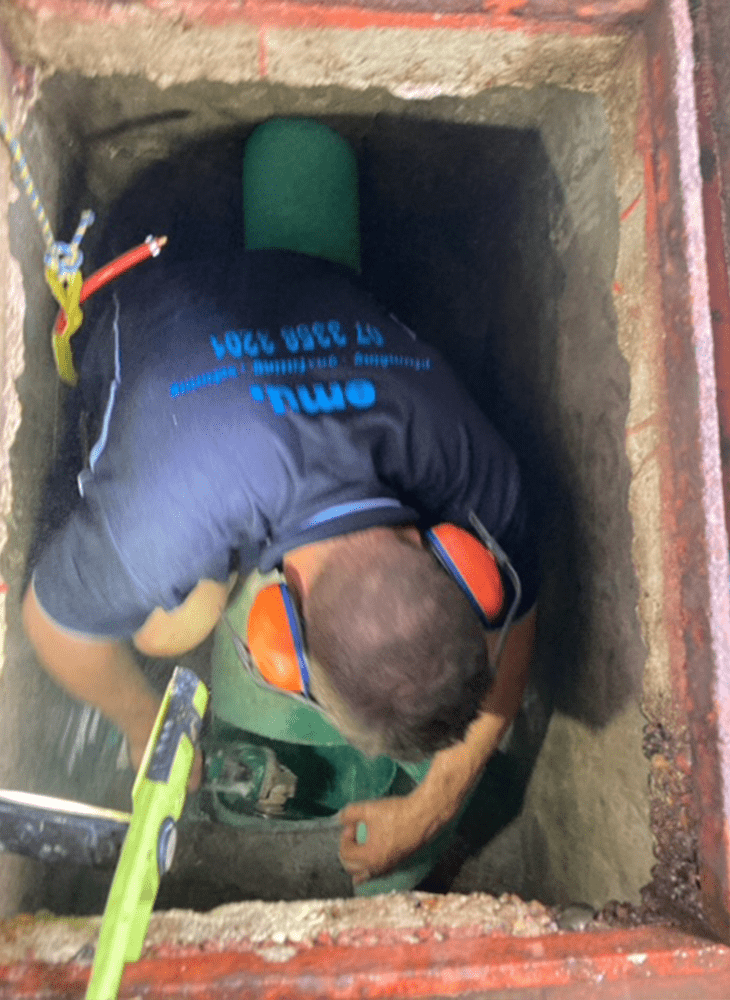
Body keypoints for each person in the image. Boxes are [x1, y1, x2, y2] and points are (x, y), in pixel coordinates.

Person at [22, 117, 538, 889]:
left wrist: (434, 805)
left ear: (464, 562)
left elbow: (518, 612)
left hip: (268, 301)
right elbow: (51, 627)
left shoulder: (461, 459)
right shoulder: (164, 523)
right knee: (173, 630)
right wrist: (139, 722)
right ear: (279, 640)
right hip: (148, 254)